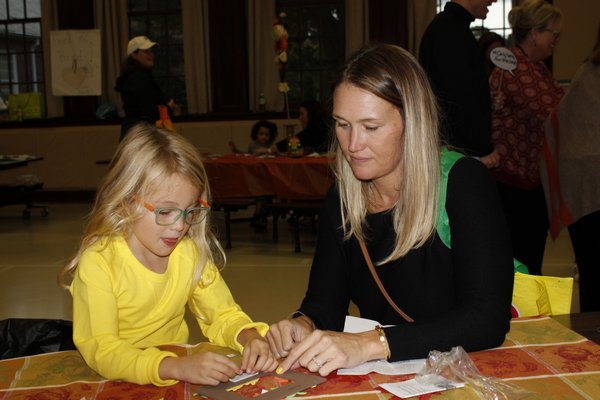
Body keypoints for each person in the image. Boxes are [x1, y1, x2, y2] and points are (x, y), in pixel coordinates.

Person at [267, 44, 513, 376]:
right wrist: (303, 324)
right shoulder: (340, 199)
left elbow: (487, 319)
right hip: (399, 376)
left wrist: (372, 343)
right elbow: (324, 304)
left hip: (472, 371)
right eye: (342, 125)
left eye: (370, 127)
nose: (353, 145)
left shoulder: (462, 182)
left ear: (413, 122)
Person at [59, 124, 277, 386]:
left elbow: (221, 314)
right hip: (118, 380)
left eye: (191, 211)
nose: (179, 226)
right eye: (164, 212)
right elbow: (102, 349)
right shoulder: (100, 261)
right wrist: (173, 366)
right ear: (128, 200)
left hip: (174, 372)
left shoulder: (188, 254)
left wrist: (251, 337)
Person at [489, 0, 564, 275]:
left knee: (531, 260)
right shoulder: (514, 69)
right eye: (552, 34)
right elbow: (552, 112)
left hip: (531, 182)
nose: (555, 40)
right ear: (535, 32)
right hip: (513, 185)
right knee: (522, 264)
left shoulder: (536, 68)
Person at [540, 23, 600, 311]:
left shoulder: (585, 71)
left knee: (591, 273)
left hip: (581, 188)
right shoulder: (588, 72)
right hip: (588, 188)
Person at [419, 0, 500, 169]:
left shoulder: (453, 27)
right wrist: (481, 150)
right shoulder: (449, 30)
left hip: (457, 150)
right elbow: (458, 100)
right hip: (456, 153)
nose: (495, 0)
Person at [115, 36, 179, 141]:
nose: (151, 54)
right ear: (134, 54)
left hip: (140, 132)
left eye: (151, 51)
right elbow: (147, 111)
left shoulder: (139, 76)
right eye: (146, 51)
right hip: (139, 134)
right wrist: (168, 109)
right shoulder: (137, 78)